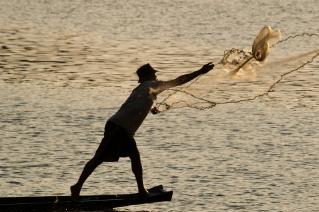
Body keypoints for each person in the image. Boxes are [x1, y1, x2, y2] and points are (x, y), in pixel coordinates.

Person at [70, 62, 214, 199]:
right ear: (147, 77)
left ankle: (79, 187)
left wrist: (151, 109)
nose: (156, 77)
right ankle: (79, 187)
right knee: (105, 158)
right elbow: (179, 80)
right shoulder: (150, 84)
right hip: (119, 128)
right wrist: (200, 71)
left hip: (118, 126)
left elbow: (137, 104)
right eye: (153, 74)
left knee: (111, 157)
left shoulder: (144, 88)